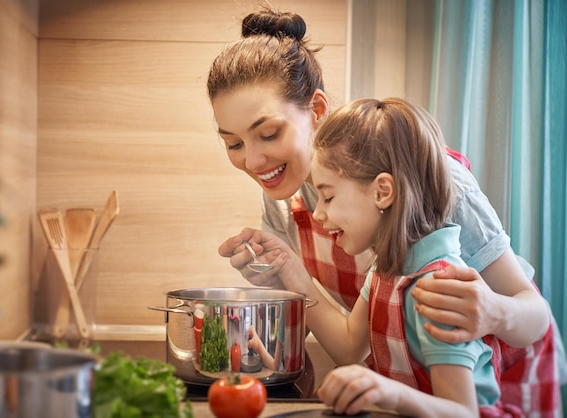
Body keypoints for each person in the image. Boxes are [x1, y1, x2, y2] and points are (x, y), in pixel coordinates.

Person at [207, 6, 563, 416]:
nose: (252, 161)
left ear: (317, 110)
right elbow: (350, 343)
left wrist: (492, 311)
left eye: (268, 134)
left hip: (506, 371)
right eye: (233, 144)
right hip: (414, 383)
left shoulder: (434, 180)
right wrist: (285, 269)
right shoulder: (282, 192)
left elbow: (532, 314)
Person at [308, 96, 518, 416]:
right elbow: (352, 345)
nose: (318, 214)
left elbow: (463, 412)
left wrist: (390, 393)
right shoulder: (389, 269)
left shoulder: (437, 289)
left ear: (382, 192)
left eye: (328, 196)